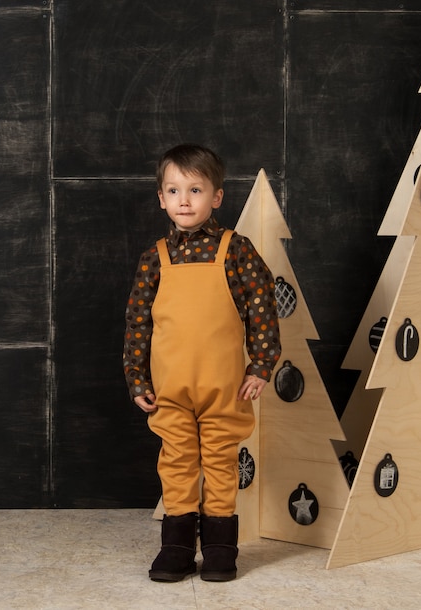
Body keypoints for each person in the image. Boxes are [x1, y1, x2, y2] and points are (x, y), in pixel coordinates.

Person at [123, 144, 281, 583]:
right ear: (161, 198)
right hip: (169, 390)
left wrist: (261, 366)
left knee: (219, 463)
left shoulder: (236, 251)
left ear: (216, 197)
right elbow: (138, 321)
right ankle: (175, 549)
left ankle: (218, 550)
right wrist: (137, 379)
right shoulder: (155, 258)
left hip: (223, 387)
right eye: (174, 190)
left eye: (195, 189)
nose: (185, 200)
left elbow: (262, 308)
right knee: (175, 462)